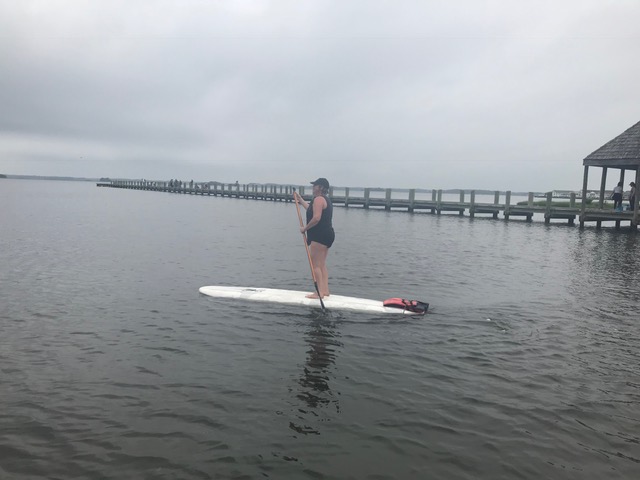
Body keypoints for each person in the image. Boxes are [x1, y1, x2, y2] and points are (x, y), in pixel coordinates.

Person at [293, 178, 335, 299]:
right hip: (328, 235)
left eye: (315, 185)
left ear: (321, 187)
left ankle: (319, 293)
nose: (313, 187)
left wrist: (304, 229)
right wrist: (300, 200)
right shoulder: (324, 200)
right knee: (321, 264)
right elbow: (311, 210)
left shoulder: (318, 199)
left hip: (320, 235)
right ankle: (325, 290)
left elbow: (316, 218)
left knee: (315, 264)